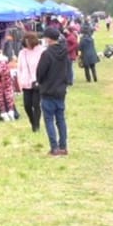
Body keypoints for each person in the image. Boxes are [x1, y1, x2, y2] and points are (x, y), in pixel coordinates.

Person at [36, 27, 70, 156]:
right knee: (61, 119)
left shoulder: (47, 54)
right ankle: (63, 146)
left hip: (48, 90)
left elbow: (40, 72)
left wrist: (40, 82)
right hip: (61, 90)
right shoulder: (64, 52)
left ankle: (54, 147)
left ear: (48, 39)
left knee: (49, 120)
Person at [16, 32, 46, 133]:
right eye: (25, 41)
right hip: (25, 83)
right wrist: (19, 82)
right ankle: (32, 121)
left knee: (36, 104)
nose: (27, 43)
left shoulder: (41, 51)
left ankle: (36, 126)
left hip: (37, 82)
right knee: (27, 105)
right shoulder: (22, 53)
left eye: (29, 41)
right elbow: (19, 68)